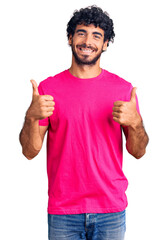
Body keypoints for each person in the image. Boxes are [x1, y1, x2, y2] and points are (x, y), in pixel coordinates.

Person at [19, 5, 149, 240]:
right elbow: (29, 152)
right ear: (70, 38)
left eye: (96, 35)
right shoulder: (48, 90)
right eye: (81, 33)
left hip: (110, 208)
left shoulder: (123, 89)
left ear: (105, 44)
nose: (87, 41)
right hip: (64, 211)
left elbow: (138, 152)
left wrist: (136, 123)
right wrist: (31, 116)